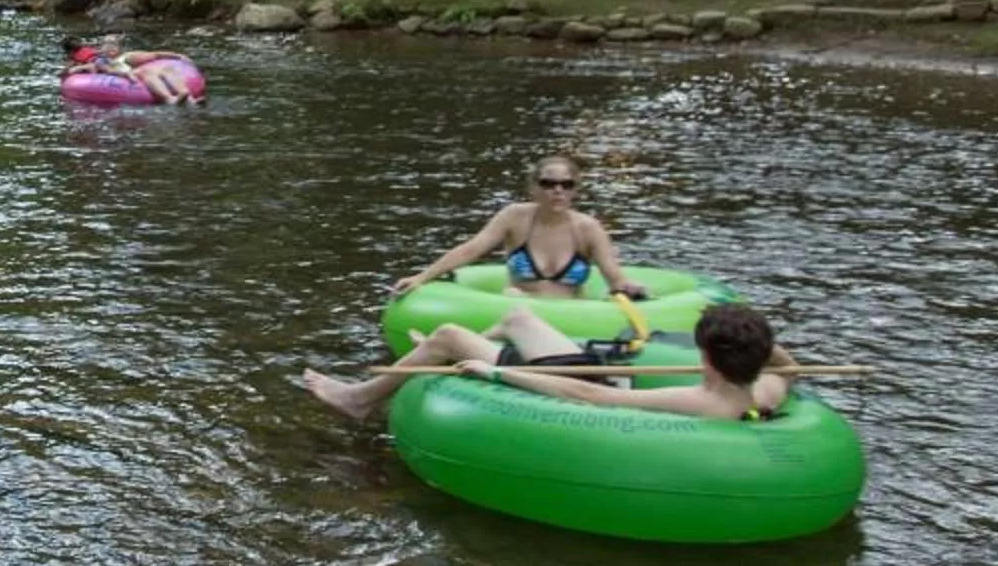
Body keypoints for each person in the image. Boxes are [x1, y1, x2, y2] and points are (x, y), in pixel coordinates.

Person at [301, 300, 799, 424]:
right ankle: (445, 344)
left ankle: (358, 400)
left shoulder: (698, 399)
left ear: (707, 356)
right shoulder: (763, 393)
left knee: (451, 335)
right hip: (597, 372)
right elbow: (786, 369)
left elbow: (590, 396)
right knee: (518, 316)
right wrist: (757, 340)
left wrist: (495, 372)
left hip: (580, 385)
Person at [388, 156, 647, 300]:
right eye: (548, 183)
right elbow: (471, 250)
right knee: (513, 296)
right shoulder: (514, 217)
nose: (557, 191)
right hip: (519, 307)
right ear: (533, 187)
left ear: (575, 190)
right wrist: (422, 277)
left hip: (571, 315)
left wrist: (629, 287)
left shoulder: (588, 228)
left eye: (566, 185)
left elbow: (614, 277)